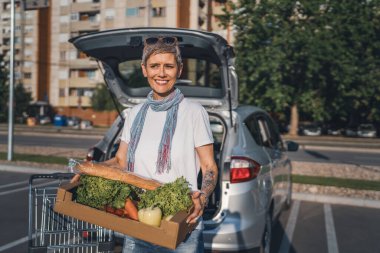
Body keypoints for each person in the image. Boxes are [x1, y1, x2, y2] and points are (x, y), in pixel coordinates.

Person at [105, 36, 218, 253]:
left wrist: (202, 198)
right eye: (154, 66)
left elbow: (209, 166)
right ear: (144, 69)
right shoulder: (135, 114)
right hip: (139, 217)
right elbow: (120, 160)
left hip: (181, 219)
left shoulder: (194, 112)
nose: (162, 73)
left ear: (180, 69)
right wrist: (90, 172)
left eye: (169, 66)